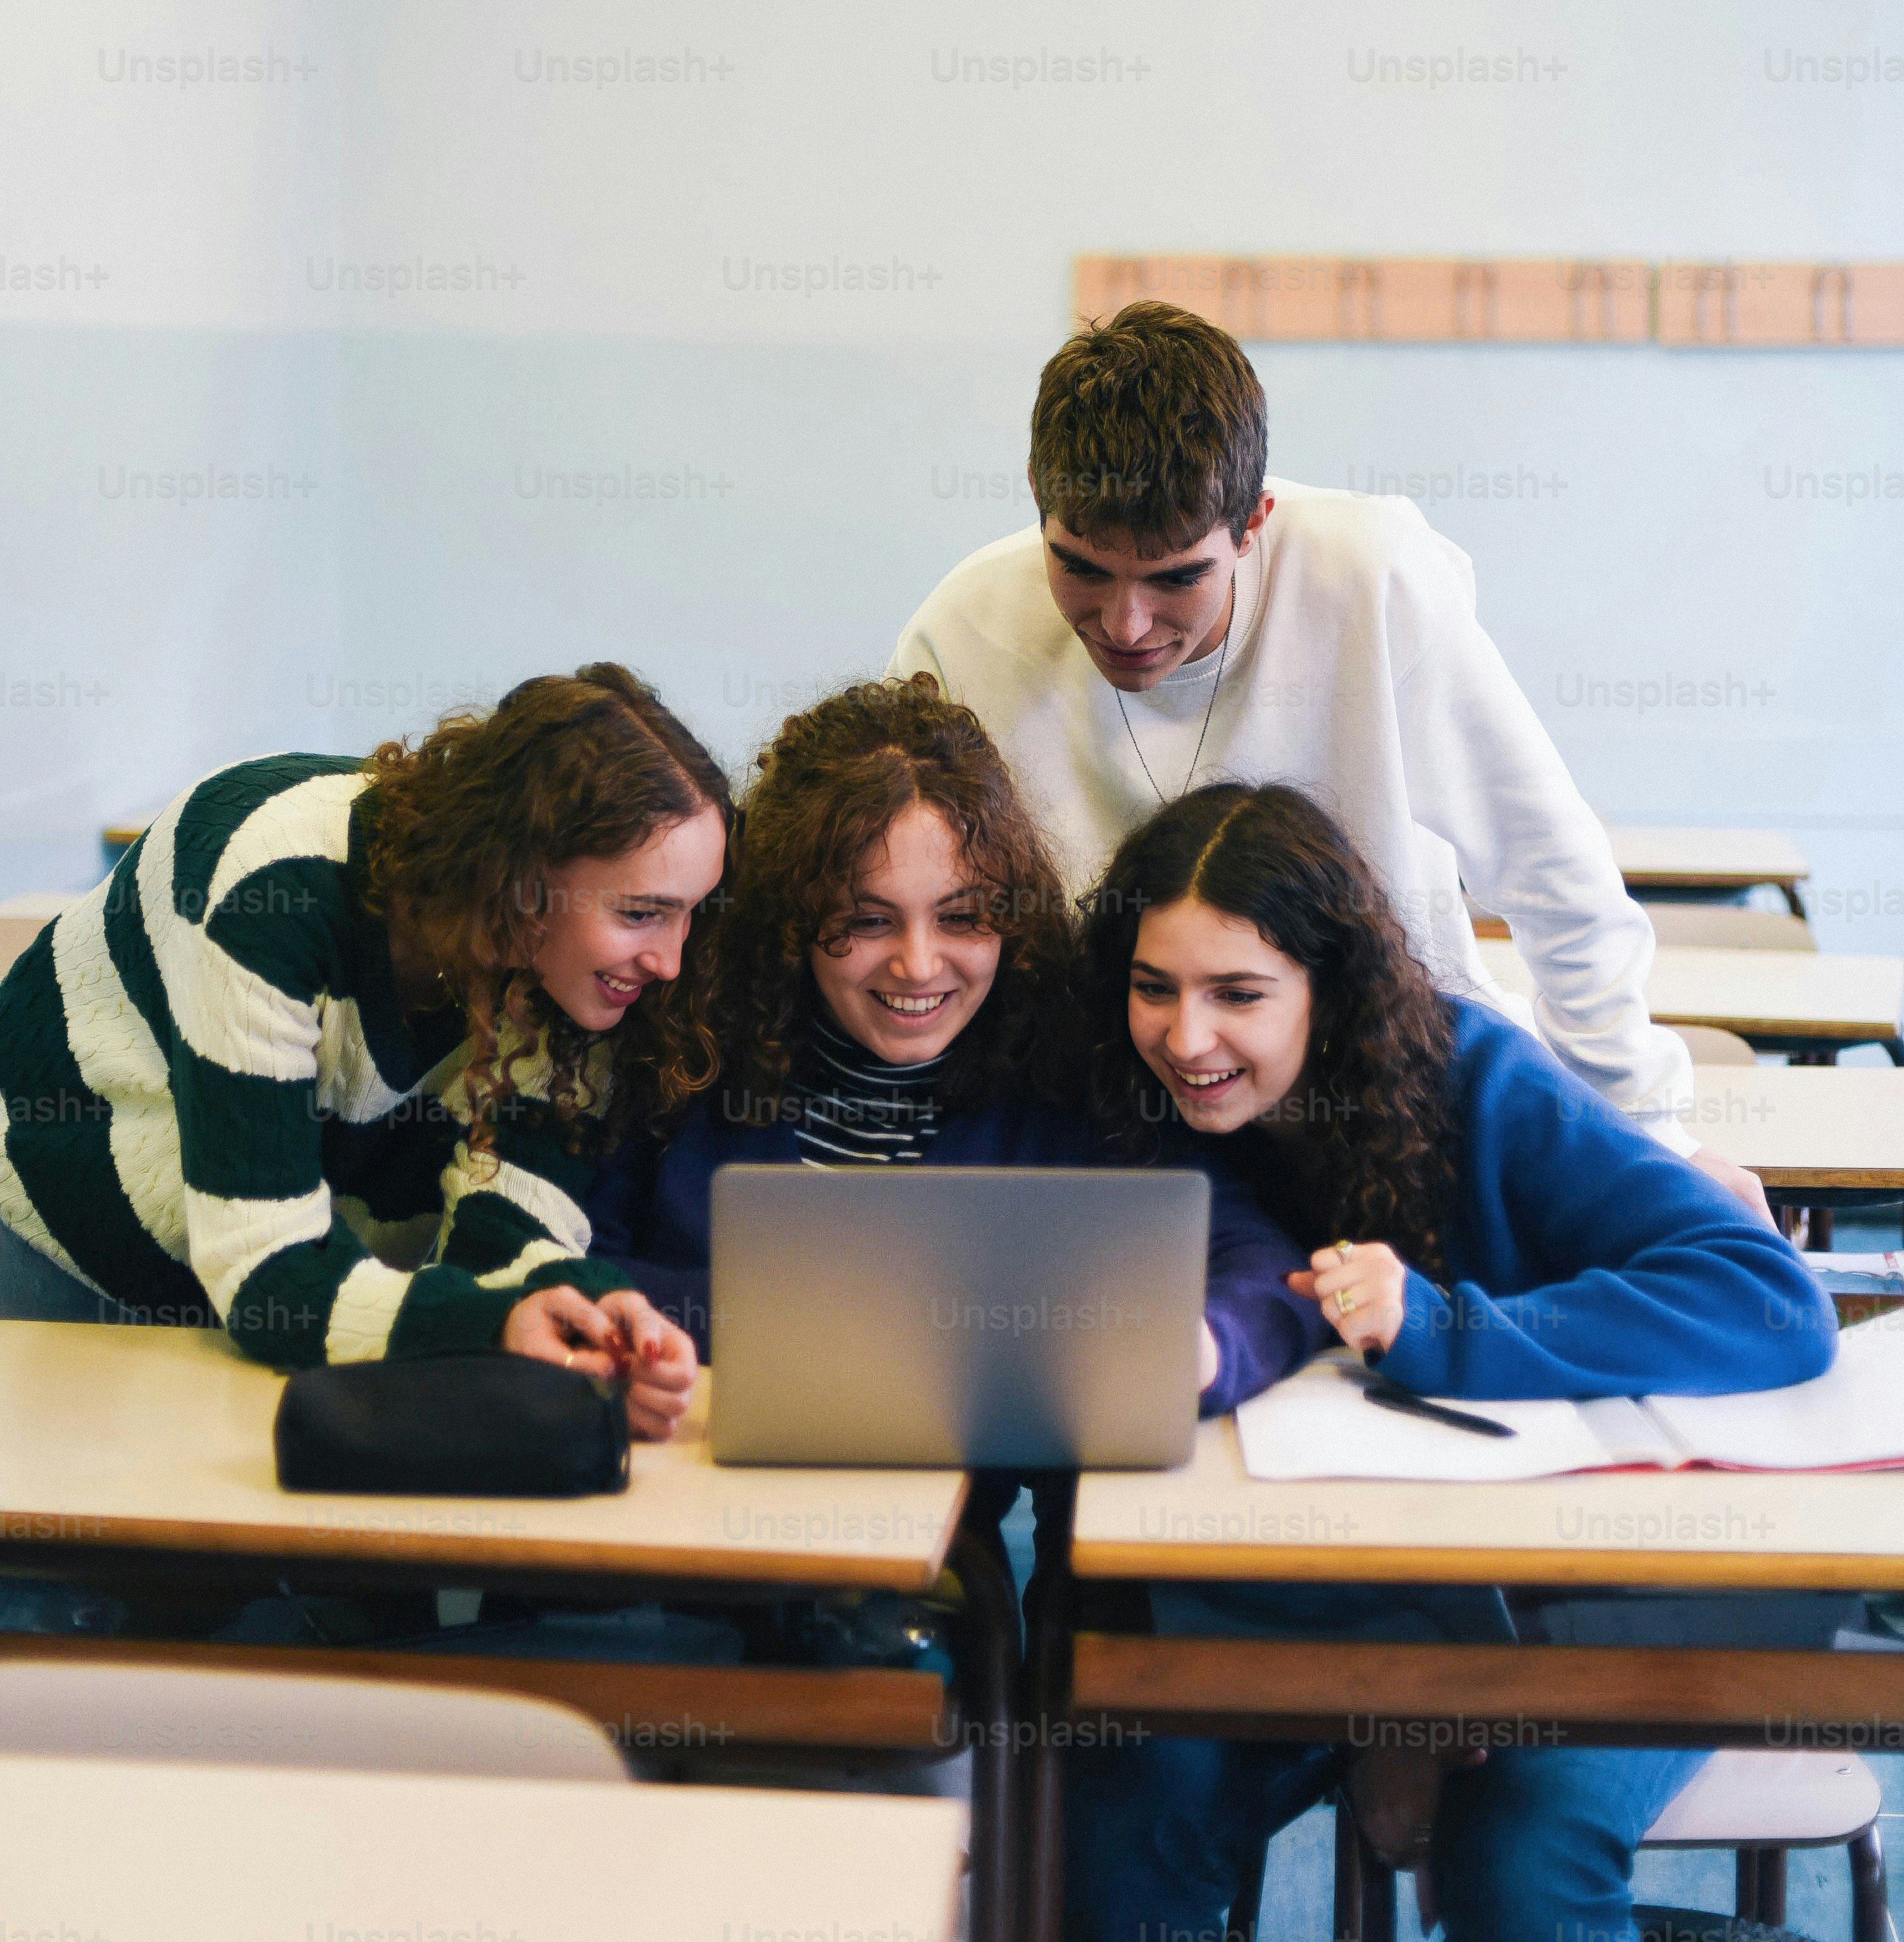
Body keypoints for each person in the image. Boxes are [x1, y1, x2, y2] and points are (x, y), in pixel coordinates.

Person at [1065, 779, 1836, 1942]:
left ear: (1329, 991)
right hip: (1325, 1592)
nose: (1186, 1035)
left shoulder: (1470, 1075)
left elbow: (1768, 1297)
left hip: (1623, 1581)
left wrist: (1447, 1329)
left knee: (1517, 1854)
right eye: (1152, 988)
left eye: (1239, 994)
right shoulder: (1144, 1116)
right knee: (1127, 1817)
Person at [891, 296, 1769, 1217]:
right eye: (1083, 568)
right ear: (1037, 494)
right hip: (1121, 1120)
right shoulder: (961, 631)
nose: (1126, 622)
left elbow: (1555, 873)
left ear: (1255, 519)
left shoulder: (1373, 579)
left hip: (1391, 1102)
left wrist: (1649, 1134)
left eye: (1177, 576)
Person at [0, 663, 723, 1437]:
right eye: (643, 913)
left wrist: (588, 1314)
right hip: (60, 1256)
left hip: (291, 1302)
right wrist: (492, 1326)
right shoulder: (275, 879)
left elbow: (506, 1228)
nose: (670, 961)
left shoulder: (578, 975)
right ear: (519, 876)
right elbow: (267, 1269)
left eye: (689, 915)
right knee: (79, 1545)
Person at [587, 677, 1324, 1422]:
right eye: (868, 920)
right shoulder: (687, 1057)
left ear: (1010, 910)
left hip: (951, 1531)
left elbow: (1265, 1265)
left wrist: (1205, 1348)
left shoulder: (1072, 1082)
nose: (917, 964)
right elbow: (570, 1267)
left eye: (961, 916)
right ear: (792, 917)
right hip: (687, 1507)